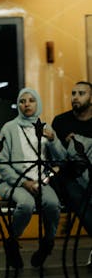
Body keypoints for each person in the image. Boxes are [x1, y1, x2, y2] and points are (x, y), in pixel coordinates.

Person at [0, 87, 67, 269]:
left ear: (37, 103)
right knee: (26, 204)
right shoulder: (9, 128)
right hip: (15, 182)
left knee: (53, 205)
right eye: (22, 101)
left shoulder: (46, 127)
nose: (26, 104)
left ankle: (47, 243)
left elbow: (62, 158)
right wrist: (24, 183)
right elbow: (2, 165)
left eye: (31, 100)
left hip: (41, 182)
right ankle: (12, 242)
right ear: (18, 105)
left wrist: (53, 140)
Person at [51, 80, 92, 238]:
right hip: (69, 176)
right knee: (77, 196)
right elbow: (55, 157)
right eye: (73, 93)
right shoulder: (61, 122)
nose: (75, 97)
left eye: (81, 94)